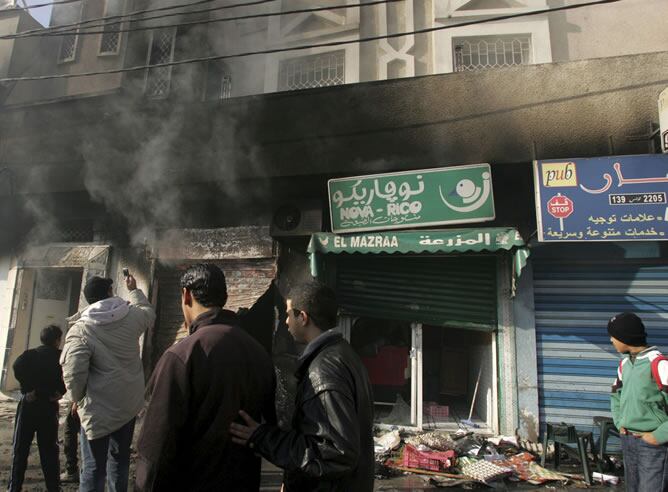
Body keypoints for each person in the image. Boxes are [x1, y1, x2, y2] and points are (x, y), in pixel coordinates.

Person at [135, 263, 277, 491]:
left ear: (186, 295)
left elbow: (156, 448)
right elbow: (270, 426)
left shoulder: (182, 355)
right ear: (225, 297)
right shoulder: (259, 353)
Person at [230, 280, 375, 492]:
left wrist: (263, 438)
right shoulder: (344, 355)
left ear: (303, 317)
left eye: (289, 314)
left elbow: (336, 454)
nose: (286, 322)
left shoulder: (323, 369)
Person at [61, 274, 155, 492]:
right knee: (119, 462)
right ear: (111, 292)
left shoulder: (81, 329)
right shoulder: (131, 316)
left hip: (98, 410)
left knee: (93, 467)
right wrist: (133, 290)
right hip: (127, 405)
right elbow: (149, 314)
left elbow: (73, 373)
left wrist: (76, 399)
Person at [609, 311, 668, 491]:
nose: (611, 340)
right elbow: (615, 395)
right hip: (628, 440)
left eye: (613, 336)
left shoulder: (659, 364)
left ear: (625, 337)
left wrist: (658, 436)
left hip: (652, 445)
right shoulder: (624, 365)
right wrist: (620, 423)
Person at [8, 324, 66, 492]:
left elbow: (16, 367)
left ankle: (15, 487)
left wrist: (27, 389)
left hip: (29, 404)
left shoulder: (30, 355)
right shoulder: (60, 357)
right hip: (48, 405)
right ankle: (53, 487)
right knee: (49, 451)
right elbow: (69, 374)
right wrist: (60, 392)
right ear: (57, 340)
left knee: (20, 449)